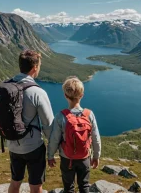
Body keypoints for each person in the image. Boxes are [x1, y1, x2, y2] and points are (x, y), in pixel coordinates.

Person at [8, 50, 54, 193]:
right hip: (34, 147)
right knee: (35, 187)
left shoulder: (8, 87)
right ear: (35, 68)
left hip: (13, 145)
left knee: (15, 183)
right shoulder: (37, 92)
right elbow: (48, 125)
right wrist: (52, 150)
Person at [47, 76, 101, 193]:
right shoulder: (89, 114)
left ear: (65, 96)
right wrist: (96, 156)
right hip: (84, 157)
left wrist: (50, 156)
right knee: (84, 186)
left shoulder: (61, 116)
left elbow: (54, 139)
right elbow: (96, 138)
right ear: (81, 96)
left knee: (69, 187)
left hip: (67, 158)